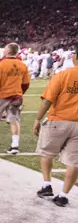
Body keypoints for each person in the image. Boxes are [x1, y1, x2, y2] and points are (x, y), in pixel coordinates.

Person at [34, 51, 78, 207]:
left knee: (47, 153)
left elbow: (47, 101)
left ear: (74, 58)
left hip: (58, 120)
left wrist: (38, 119)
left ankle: (47, 185)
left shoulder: (63, 75)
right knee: (74, 162)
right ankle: (63, 195)